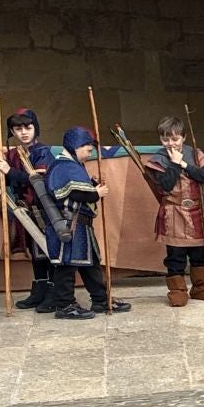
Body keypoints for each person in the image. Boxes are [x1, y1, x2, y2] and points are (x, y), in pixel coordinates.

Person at [136, 116, 204, 307]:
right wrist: (174, 164)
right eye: (165, 139)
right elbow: (166, 185)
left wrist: (184, 164)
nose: (171, 143)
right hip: (173, 212)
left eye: (175, 139)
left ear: (183, 137)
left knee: (199, 253)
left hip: (196, 211)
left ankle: (200, 287)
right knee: (176, 255)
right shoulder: (159, 160)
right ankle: (177, 290)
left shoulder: (195, 154)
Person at [43, 127, 130, 318]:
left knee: (90, 264)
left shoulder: (73, 165)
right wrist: (95, 193)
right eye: (88, 150)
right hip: (69, 225)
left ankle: (100, 299)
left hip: (81, 225)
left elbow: (80, 187)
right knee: (67, 265)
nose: (89, 154)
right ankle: (65, 305)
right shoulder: (64, 166)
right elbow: (74, 192)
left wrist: (92, 184)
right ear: (76, 146)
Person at [0, 109, 54, 309]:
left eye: (28, 128)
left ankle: (54, 292)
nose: (24, 133)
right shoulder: (12, 154)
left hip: (45, 209)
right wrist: (2, 168)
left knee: (48, 249)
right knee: (35, 251)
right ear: (12, 131)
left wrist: (9, 171)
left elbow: (38, 180)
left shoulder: (42, 152)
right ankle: (39, 289)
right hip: (25, 209)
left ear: (35, 128)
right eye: (18, 129)